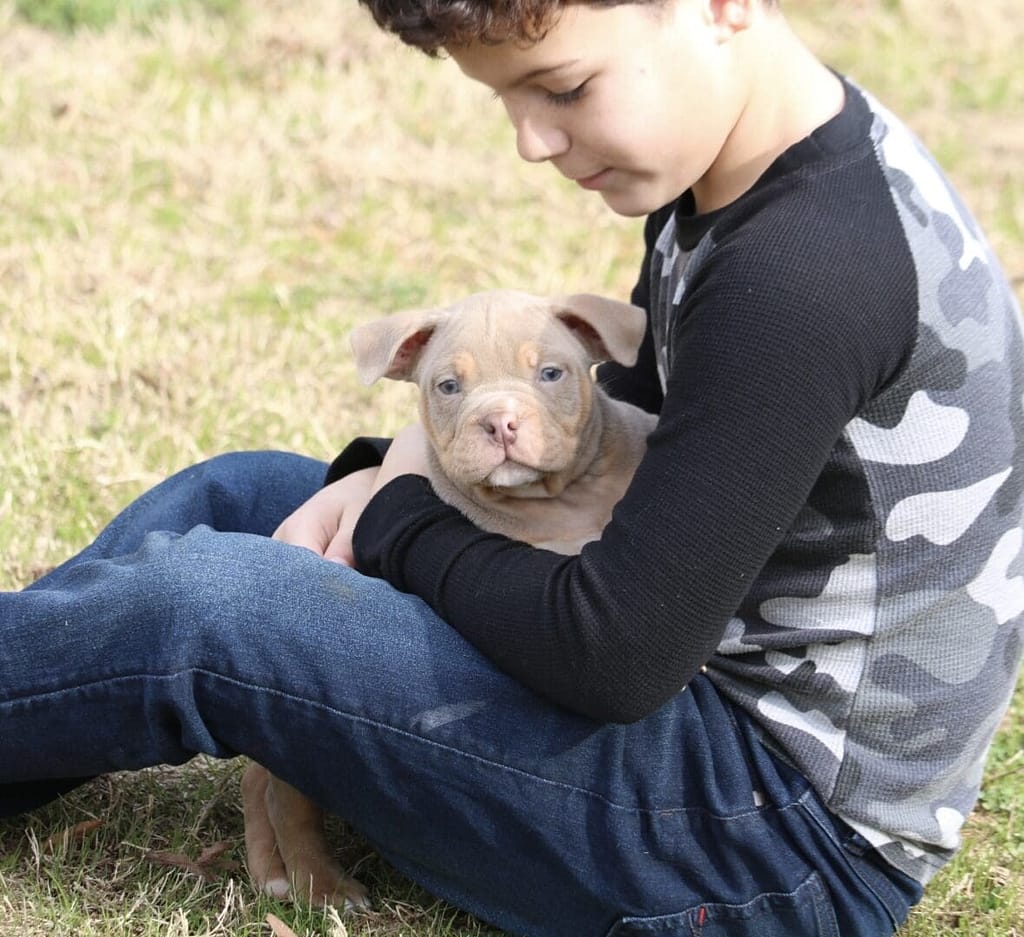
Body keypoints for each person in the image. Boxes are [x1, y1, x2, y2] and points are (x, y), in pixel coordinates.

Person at [2, 0, 1021, 934]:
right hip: (696, 695)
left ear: (720, 7)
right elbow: (656, 432)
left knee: (212, 605)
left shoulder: (800, 273)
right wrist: (394, 469)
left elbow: (615, 653)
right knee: (244, 495)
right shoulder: (745, 172)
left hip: (770, 840)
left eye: (565, 88)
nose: (532, 142)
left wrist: (401, 517)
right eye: (506, 100)